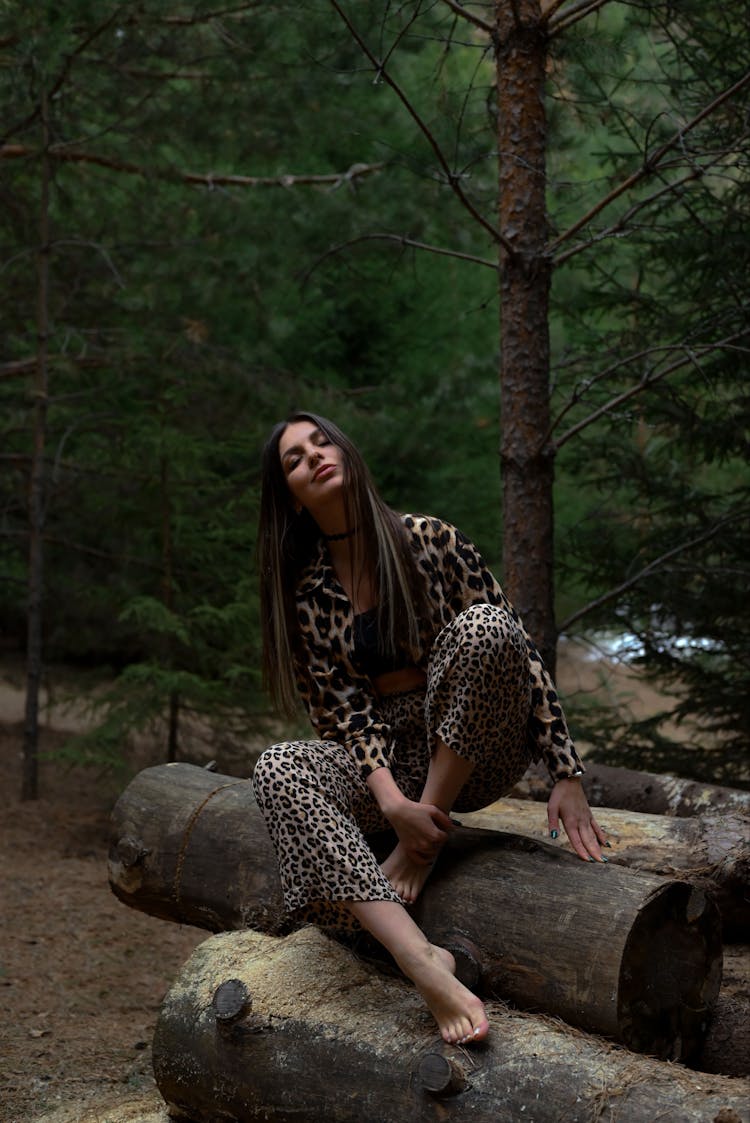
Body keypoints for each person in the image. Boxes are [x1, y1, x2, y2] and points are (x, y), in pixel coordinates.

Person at [253, 410, 607, 1047]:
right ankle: (420, 958)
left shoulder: (429, 538)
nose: (313, 457)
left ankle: (428, 838)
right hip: (387, 762)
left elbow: (517, 649)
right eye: (294, 460)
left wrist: (565, 771)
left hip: (472, 747)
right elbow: (342, 713)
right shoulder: (308, 594)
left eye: (321, 441)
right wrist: (391, 804)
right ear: (293, 498)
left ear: (348, 454)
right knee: (277, 766)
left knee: (486, 629)